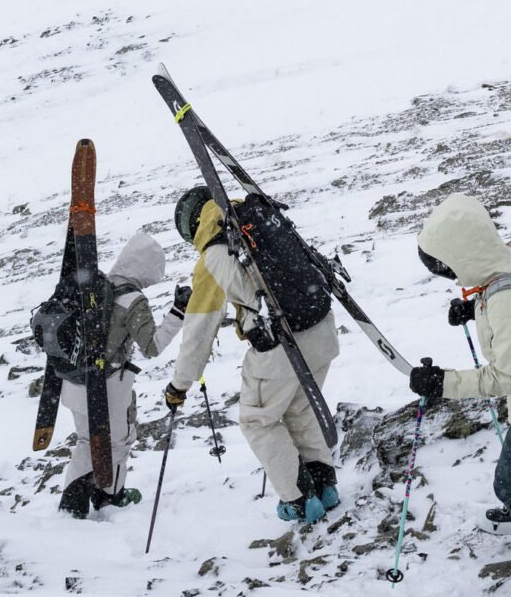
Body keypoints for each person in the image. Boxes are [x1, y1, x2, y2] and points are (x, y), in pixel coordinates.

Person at [409, 195, 511, 564]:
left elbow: (504, 377)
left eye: (447, 267)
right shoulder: (505, 261)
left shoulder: (507, 302)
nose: (449, 275)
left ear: (463, 255)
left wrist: (442, 384)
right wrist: (475, 307)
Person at [165, 186, 341, 524]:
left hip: (283, 344)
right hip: (321, 326)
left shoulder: (215, 252)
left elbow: (198, 333)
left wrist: (179, 385)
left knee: (258, 421)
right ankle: (325, 487)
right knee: (300, 409)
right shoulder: (257, 220)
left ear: (192, 226)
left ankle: (300, 501)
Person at [58, 231, 184, 518]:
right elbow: (151, 346)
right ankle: (110, 495)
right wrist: (178, 312)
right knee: (119, 440)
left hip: (74, 379)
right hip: (109, 384)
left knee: (86, 440)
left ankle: (71, 504)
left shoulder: (92, 286)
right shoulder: (132, 299)